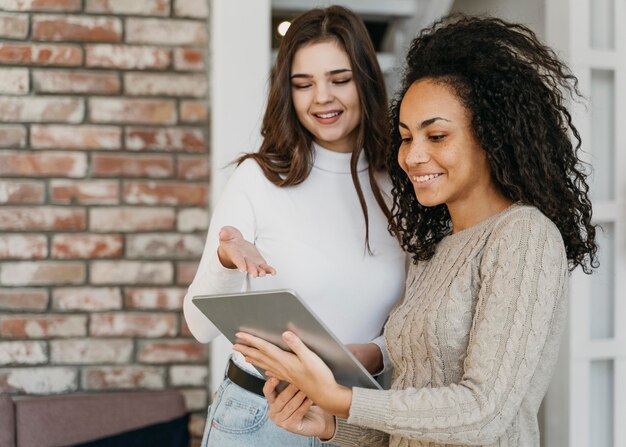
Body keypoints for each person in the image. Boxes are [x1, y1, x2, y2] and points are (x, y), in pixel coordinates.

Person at [233, 15, 598, 447]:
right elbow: (413, 409)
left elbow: (484, 411)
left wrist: (342, 398)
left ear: (491, 136)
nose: (413, 156)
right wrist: (331, 425)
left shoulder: (524, 237)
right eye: (406, 137)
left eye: (437, 135)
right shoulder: (433, 251)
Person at [182, 5, 406, 447]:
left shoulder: (402, 181)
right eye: (303, 84)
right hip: (259, 417)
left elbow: (416, 313)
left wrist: (376, 353)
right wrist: (227, 260)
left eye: (339, 80)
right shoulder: (259, 178)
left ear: (366, 80)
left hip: (357, 421)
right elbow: (199, 325)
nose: (321, 98)